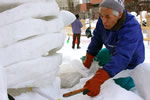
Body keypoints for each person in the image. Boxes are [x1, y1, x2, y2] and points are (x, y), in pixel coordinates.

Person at [82, 0, 145, 97]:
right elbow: (97, 38)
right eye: (101, 16)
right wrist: (89, 57)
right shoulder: (103, 19)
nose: (103, 21)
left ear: (119, 14)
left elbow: (122, 56)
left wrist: (99, 79)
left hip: (130, 61)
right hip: (112, 51)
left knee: (117, 85)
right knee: (92, 60)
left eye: (107, 17)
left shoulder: (131, 27)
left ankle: (130, 85)